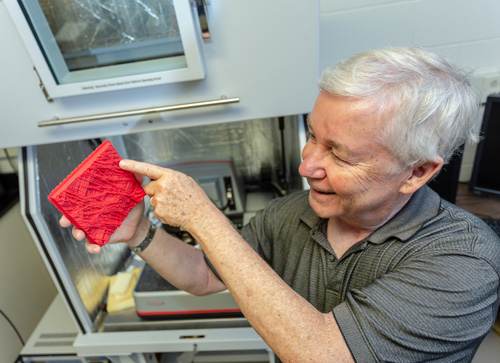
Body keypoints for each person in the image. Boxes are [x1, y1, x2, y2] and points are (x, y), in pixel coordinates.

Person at [61, 46, 500, 362]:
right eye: (312, 135)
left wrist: (201, 215)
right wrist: (140, 232)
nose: (307, 165)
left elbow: (323, 355)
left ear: (418, 172)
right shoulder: (293, 213)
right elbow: (202, 274)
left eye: (340, 153)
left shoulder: (465, 261)